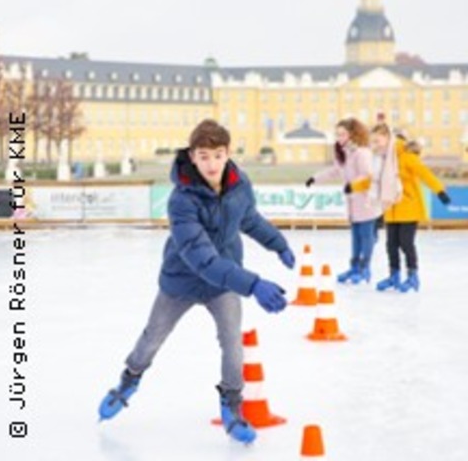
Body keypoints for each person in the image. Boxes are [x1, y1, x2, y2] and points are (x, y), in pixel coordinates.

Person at [98, 119, 296, 444]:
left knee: (232, 342)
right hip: (182, 281)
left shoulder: (239, 185)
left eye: (218, 155)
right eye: (204, 156)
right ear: (192, 156)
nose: (212, 164)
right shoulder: (181, 201)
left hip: (224, 282)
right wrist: (254, 284)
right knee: (152, 337)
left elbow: (249, 219)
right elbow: (203, 260)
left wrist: (278, 244)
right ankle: (129, 379)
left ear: (228, 154)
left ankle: (232, 403)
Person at [367, 123, 451, 293]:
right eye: (373, 142)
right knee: (391, 245)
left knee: (406, 244)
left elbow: (425, 174)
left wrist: (440, 191)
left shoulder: (406, 157)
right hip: (391, 210)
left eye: (378, 141)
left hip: (409, 208)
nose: (375, 145)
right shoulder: (382, 161)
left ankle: (412, 277)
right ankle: (394, 276)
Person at [305, 118, 381, 284]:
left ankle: (364, 268)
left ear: (352, 135)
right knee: (356, 238)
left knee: (366, 238)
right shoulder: (344, 154)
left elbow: (368, 176)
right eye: (337, 134)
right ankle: (354, 268)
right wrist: (314, 178)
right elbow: (334, 171)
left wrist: (352, 186)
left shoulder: (362, 153)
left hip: (367, 203)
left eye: (342, 134)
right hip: (354, 205)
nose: (339, 137)